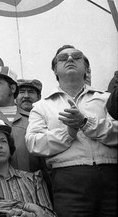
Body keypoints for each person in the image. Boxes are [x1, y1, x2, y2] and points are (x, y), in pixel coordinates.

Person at [26, 45, 117, 217]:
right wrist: (68, 133)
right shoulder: (42, 106)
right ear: (55, 70)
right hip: (68, 179)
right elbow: (33, 143)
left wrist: (86, 123)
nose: (69, 59)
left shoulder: (107, 99)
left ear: (86, 68)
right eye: (62, 58)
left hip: (111, 175)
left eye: (76, 56)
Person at [0, 118, 55, 217]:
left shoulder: (34, 179)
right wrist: (26, 206)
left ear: (10, 148)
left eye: (3, 141)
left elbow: (48, 214)